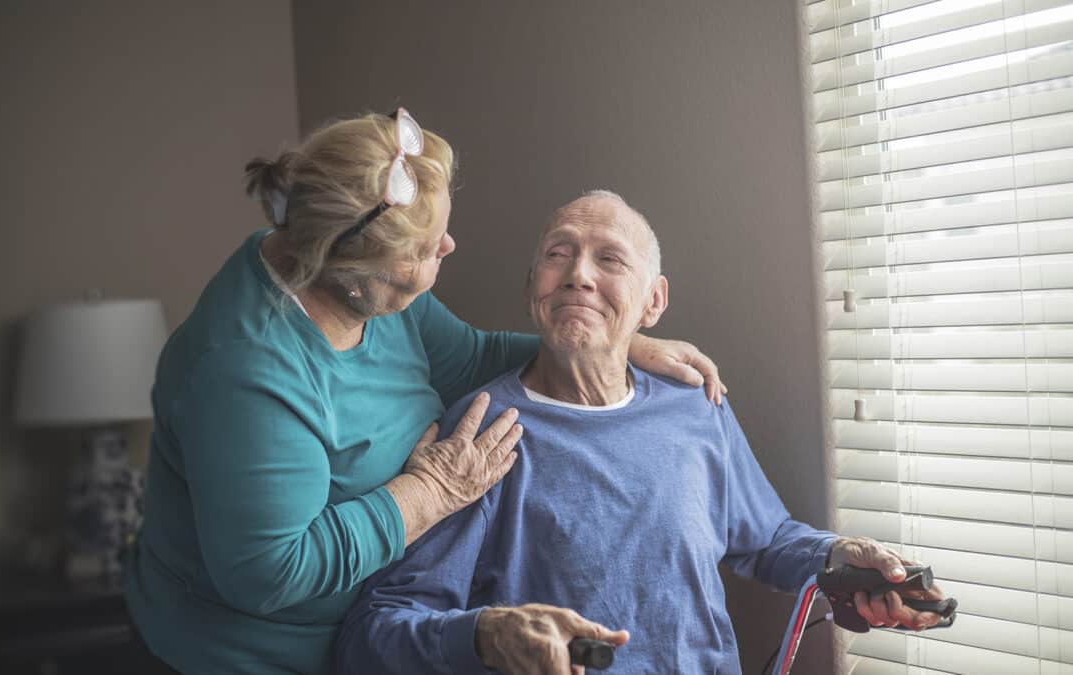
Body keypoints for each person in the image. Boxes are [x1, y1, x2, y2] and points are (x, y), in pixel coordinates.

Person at [123, 110, 726, 675]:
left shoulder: (367, 288)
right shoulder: (244, 370)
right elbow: (271, 570)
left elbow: (470, 357)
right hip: (247, 654)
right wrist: (428, 493)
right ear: (353, 272)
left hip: (372, 635)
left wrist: (609, 343)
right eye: (422, 249)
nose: (447, 247)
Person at [338, 191, 946, 675]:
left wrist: (841, 559)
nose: (578, 274)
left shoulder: (695, 406)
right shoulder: (481, 434)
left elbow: (764, 539)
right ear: (532, 288)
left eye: (609, 258)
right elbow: (379, 631)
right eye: (558, 253)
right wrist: (488, 636)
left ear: (652, 303)